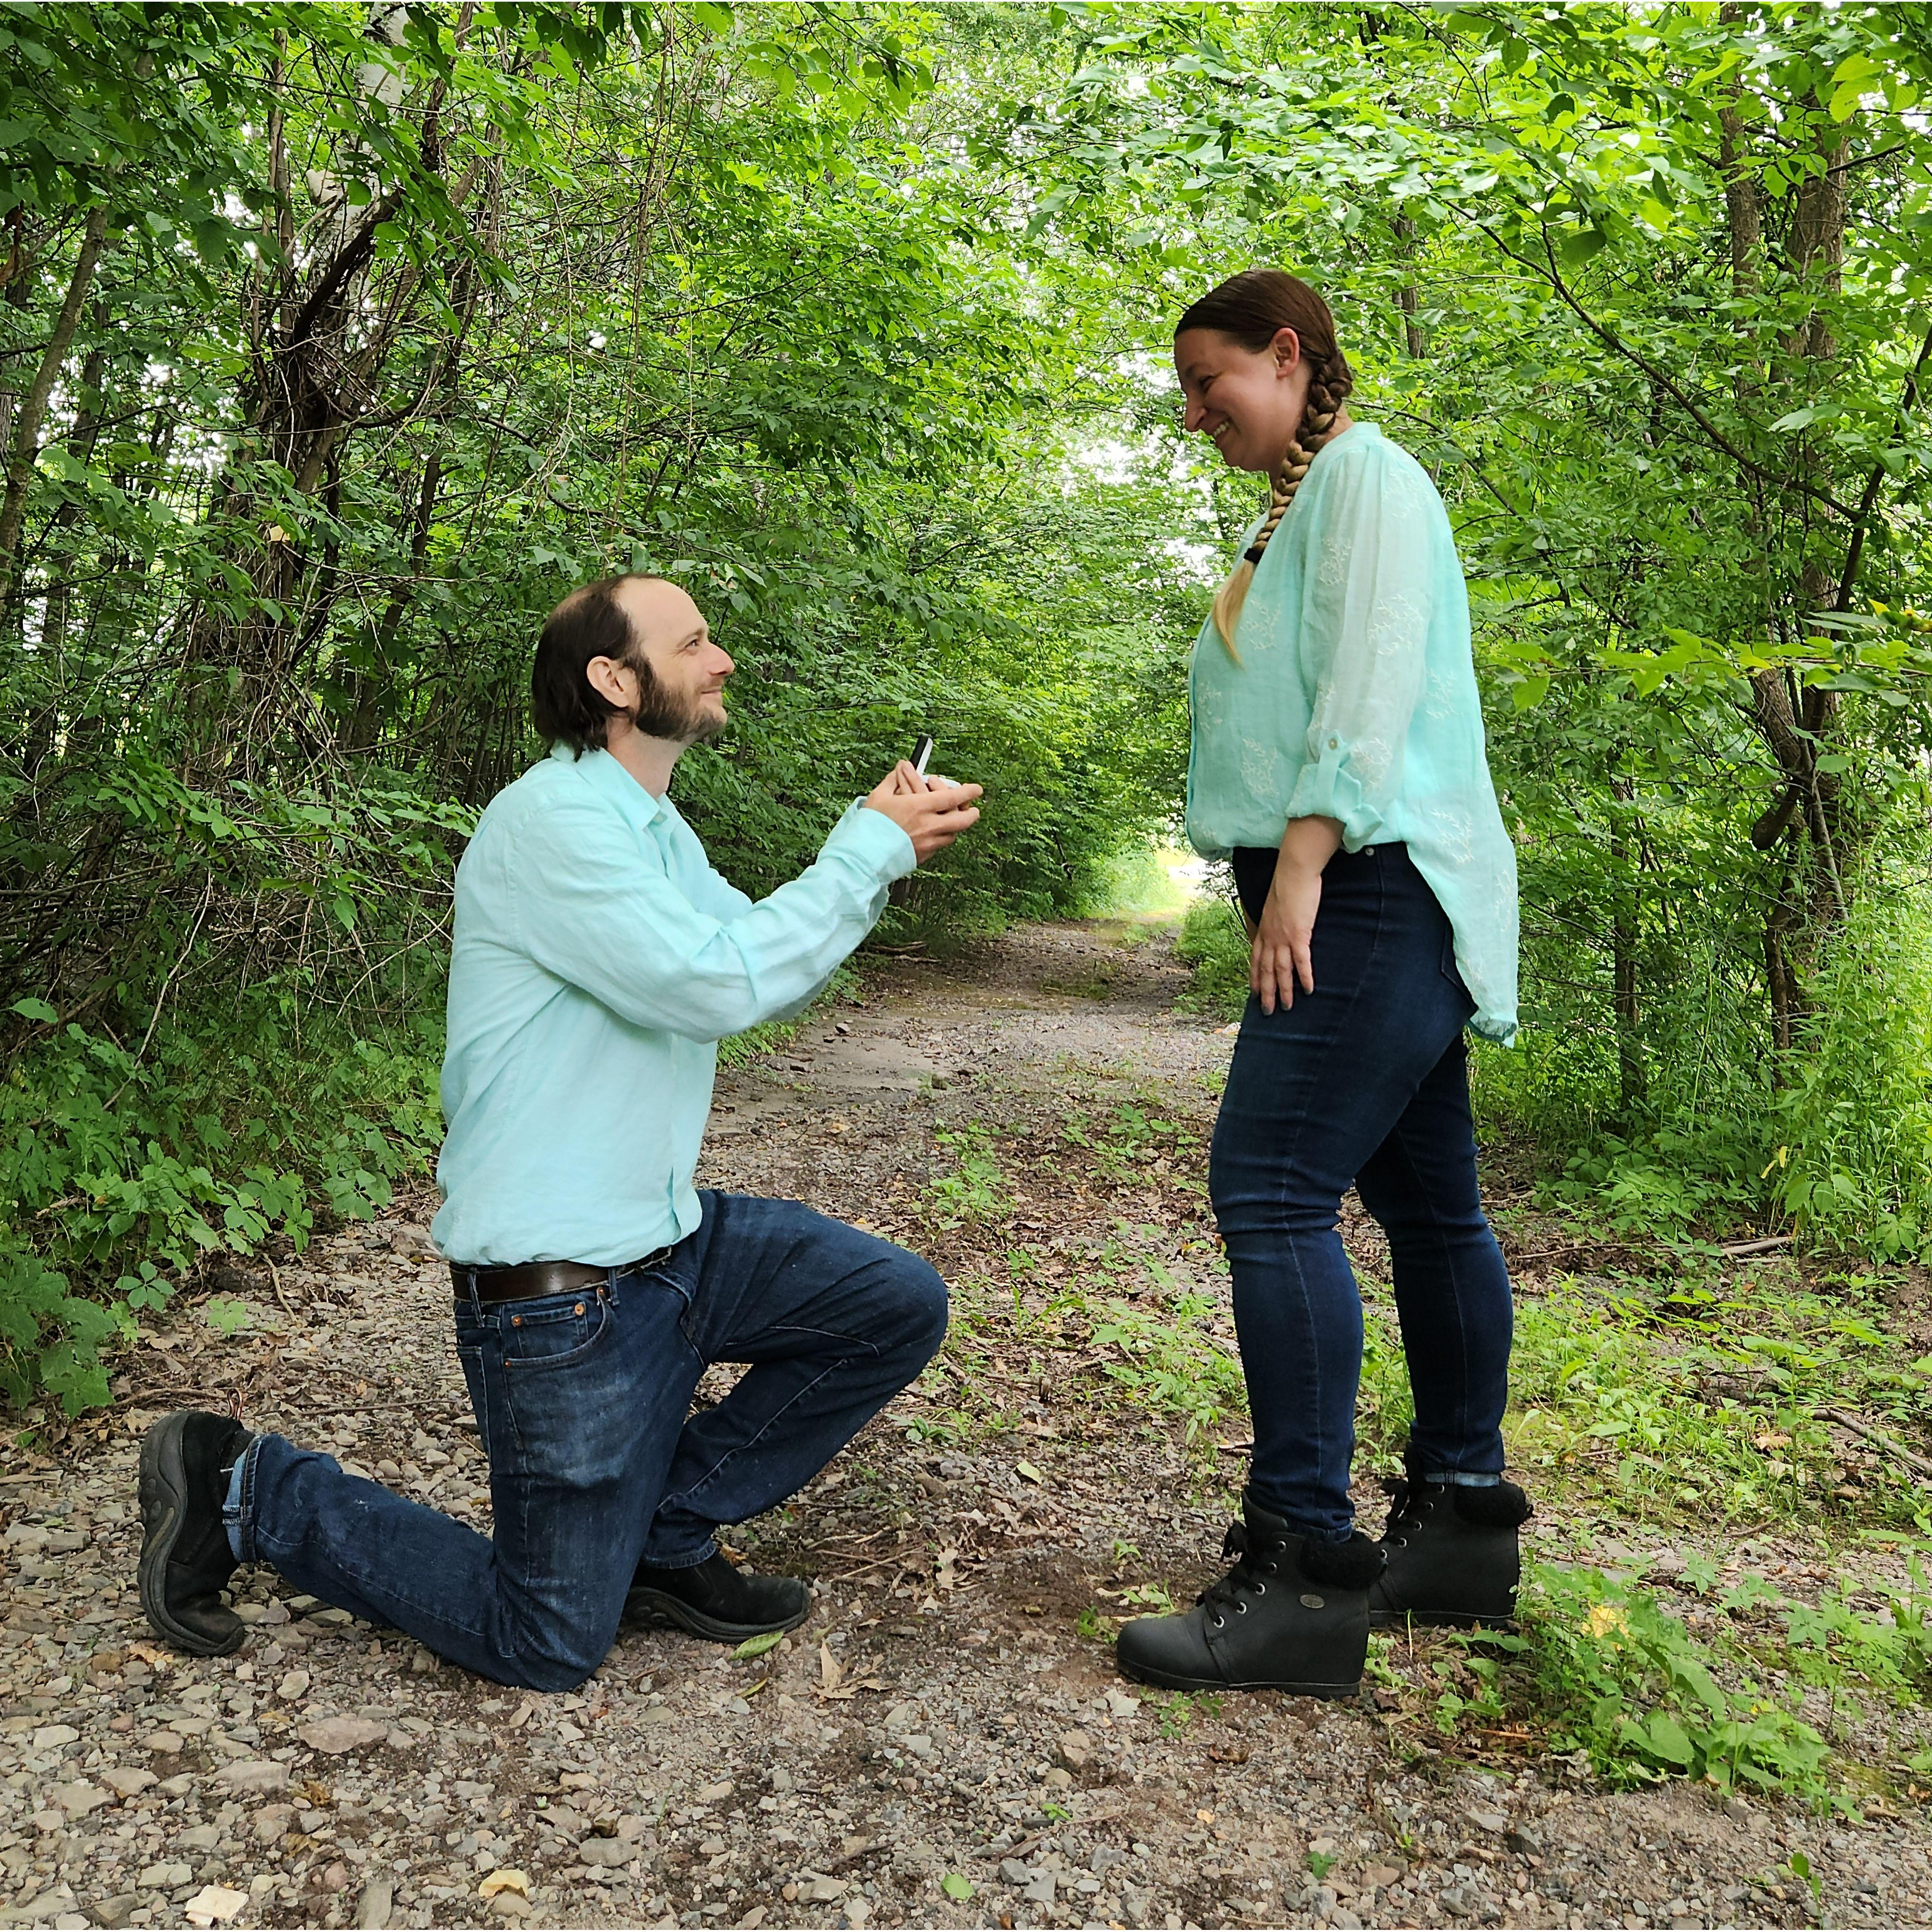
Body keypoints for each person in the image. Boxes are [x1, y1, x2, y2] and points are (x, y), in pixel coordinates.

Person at [136, 573, 982, 1690]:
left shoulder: (649, 826)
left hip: (671, 1246)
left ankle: (662, 1538)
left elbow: (754, 960)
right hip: (562, 1297)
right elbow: (714, 986)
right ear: (614, 679)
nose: (721, 660)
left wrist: (865, 850)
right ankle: (246, 1486)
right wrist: (860, 855)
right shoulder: (553, 822)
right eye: (694, 644)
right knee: (542, 1641)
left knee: (893, 1306)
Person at [1115, 270, 1528, 1698]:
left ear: (1290, 358)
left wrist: (1298, 868)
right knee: (1427, 1202)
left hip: (1362, 884)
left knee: (1271, 1187)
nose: (1192, 411)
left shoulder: (1367, 477)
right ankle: (1462, 1532)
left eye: (1209, 381)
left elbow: (1370, 679)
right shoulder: (1295, 501)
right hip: (1356, 884)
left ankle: (1303, 1574)